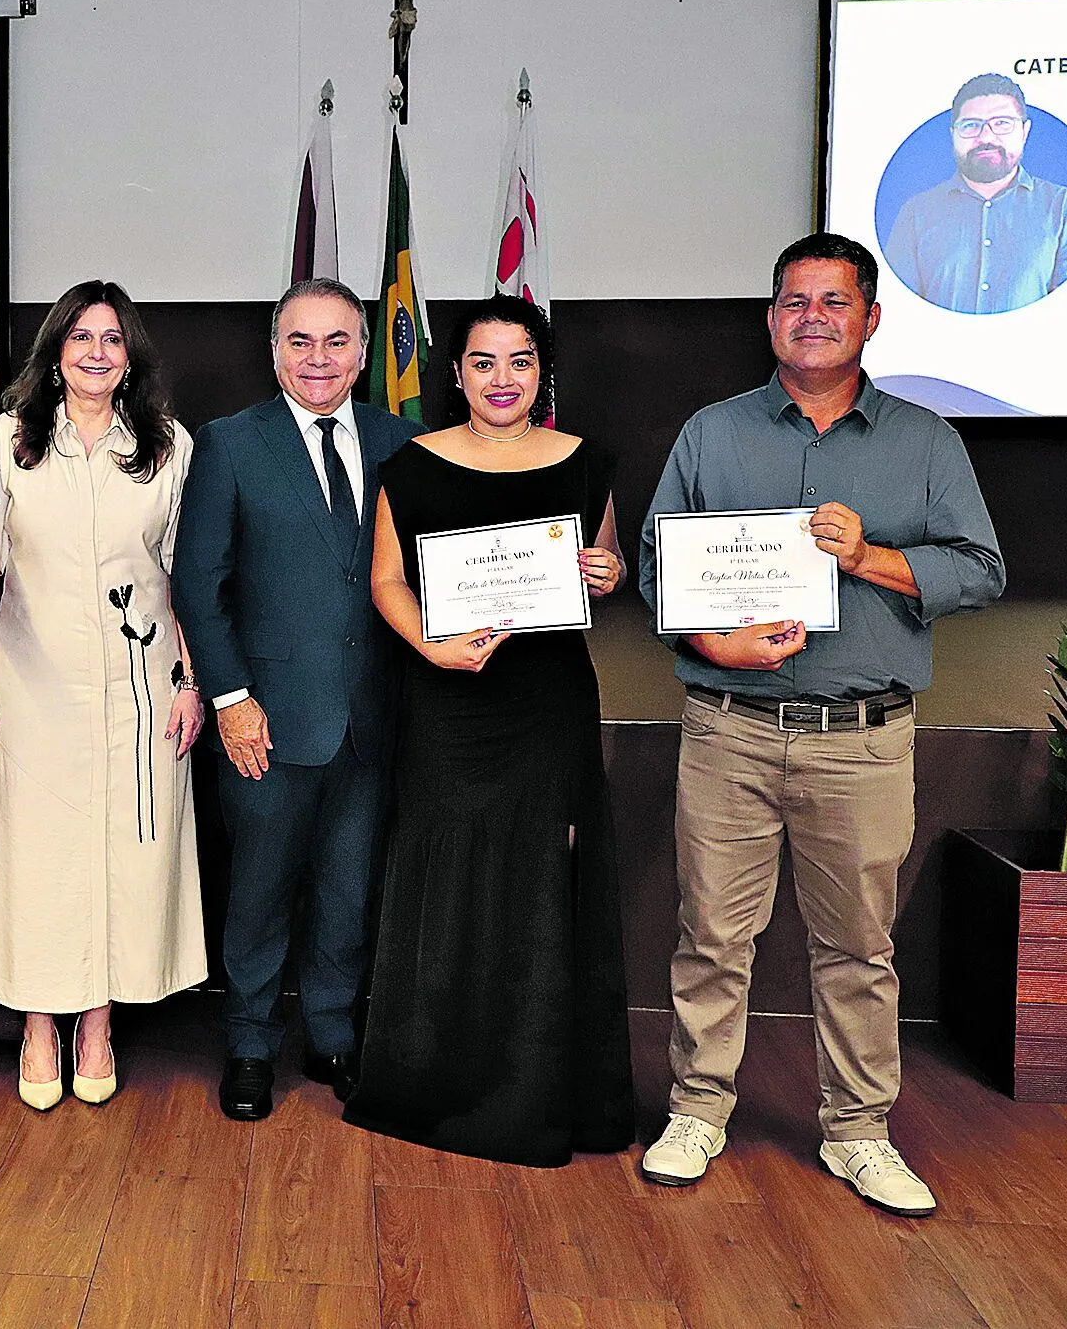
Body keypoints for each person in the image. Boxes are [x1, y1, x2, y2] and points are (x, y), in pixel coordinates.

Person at [638, 232, 1005, 1216]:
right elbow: (653, 569)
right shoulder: (711, 433)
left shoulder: (924, 440)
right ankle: (696, 1108)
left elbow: (979, 570)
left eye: (832, 301)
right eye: (793, 300)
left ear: (869, 318)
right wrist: (712, 646)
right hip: (727, 730)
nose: (812, 316)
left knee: (856, 947)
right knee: (710, 935)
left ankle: (855, 1131)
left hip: (861, 740)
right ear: (769, 318)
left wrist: (870, 556)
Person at [343, 295, 633, 1166]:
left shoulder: (585, 463)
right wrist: (431, 644)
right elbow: (387, 582)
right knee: (442, 873)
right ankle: (429, 1081)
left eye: (519, 362)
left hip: (546, 705)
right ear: (457, 372)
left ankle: (533, 1089)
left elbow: (603, 569)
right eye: (482, 362)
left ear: (542, 374)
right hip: (445, 702)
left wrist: (609, 570)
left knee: (541, 871)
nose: (500, 380)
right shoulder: (412, 462)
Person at [171, 278, 420, 1122]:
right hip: (265, 718)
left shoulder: (406, 442)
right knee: (260, 890)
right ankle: (247, 1045)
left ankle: (332, 1033)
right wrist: (233, 697)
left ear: (365, 349)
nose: (319, 359)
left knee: (349, 890)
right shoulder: (231, 443)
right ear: (273, 349)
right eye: (301, 342)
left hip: (372, 715)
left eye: (338, 341)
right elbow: (198, 585)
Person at [0, 281, 205, 1112]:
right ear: (55, 352)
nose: (96, 352)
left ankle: (97, 1024)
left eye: (112, 339)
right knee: (39, 857)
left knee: (124, 857)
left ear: (130, 354)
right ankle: (38, 1023)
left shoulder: (170, 445)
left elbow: (185, 577)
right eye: (80, 337)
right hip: (29, 685)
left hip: (141, 687)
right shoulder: (6, 443)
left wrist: (192, 682)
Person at [883, 73, 1067, 314]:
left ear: (1024, 131)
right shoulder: (916, 213)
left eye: (1002, 123)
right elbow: (898, 311)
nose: (986, 137)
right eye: (971, 125)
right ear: (953, 134)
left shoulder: (1062, 207)